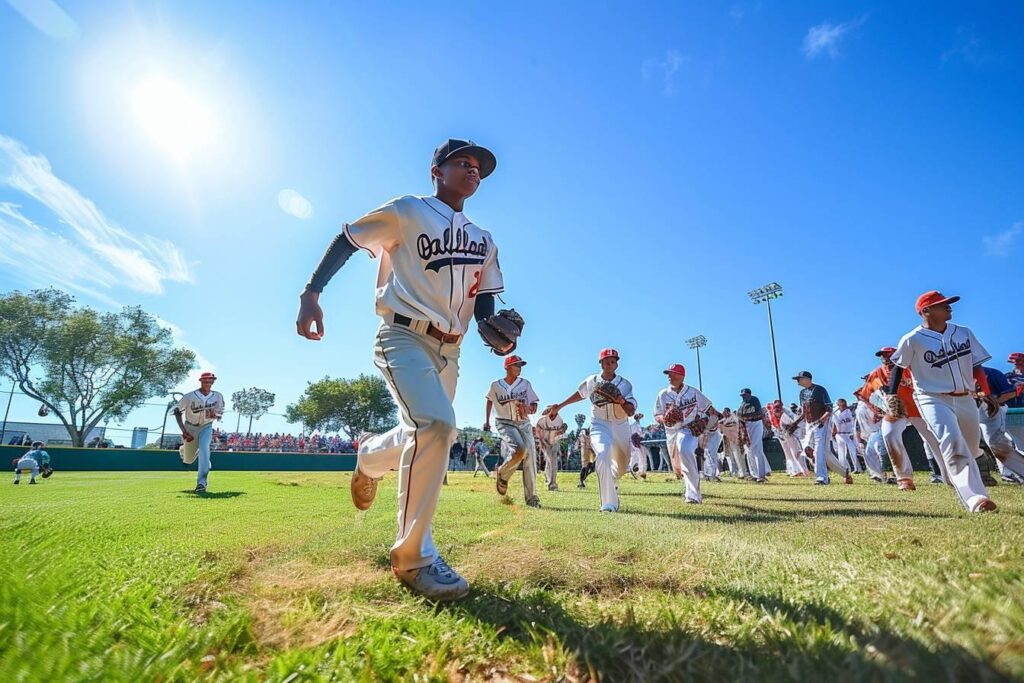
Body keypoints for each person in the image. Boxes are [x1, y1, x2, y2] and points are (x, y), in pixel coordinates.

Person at [296, 138, 510, 600]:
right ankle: (414, 558)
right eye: (463, 163)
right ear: (437, 169)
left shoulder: (484, 239)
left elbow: (487, 305)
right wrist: (311, 293)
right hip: (402, 334)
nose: (473, 171)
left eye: (479, 168)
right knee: (435, 425)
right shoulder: (408, 210)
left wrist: (499, 332)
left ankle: (369, 459)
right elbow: (349, 237)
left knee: (425, 431)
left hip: (450, 351)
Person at [888, 291, 996, 512]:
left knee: (972, 446)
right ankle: (976, 498)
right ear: (925, 311)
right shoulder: (912, 339)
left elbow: (976, 365)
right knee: (953, 442)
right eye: (942, 304)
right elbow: (898, 368)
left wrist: (985, 391)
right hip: (931, 397)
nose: (949, 307)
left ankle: (958, 475)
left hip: (965, 397)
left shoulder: (964, 333)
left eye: (948, 303)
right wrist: (892, 394)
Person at [545, 348, 637, 512]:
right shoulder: (592, 381)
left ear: (617, 363)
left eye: (613, 360)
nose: (609, 363)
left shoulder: (624, 384)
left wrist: (620, 400)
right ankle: (609, 503)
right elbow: (580, 394)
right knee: (602, 454)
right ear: (600, 363)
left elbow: (631, 411)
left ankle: (612, 478)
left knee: (622, 466)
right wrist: (559, 407)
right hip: (599, 423)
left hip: (621, 424)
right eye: (606, 360)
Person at [863, 346, 943, 489]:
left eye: (889, 355)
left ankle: (948, 474)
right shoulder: (877, 373)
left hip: (918, 409)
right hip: (896, 411)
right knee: (889, 434)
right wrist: (877, 411)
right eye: (883, 355)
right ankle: (904, 478)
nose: (886, 358)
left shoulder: (911, 368)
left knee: (933, 439)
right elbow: (869, 395)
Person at [654, 363, 720, 504]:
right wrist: (664, 418)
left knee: (685, 451)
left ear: (681, 376)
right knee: (678, 467)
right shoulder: (663, 394)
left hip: (689, 429)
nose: (669, 376)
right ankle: (689, 488)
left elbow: (709, 408)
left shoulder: (693, 392)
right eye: (668, 374)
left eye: (672, 373)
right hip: (671, 431)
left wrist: (716, 419)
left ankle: (692, 495)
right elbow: (657, 415)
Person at [484, 355, 541, 508]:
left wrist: (530, 408)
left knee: (530, 456)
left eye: (520, 365)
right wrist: (487, 420)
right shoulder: (496, 385)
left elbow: (534, 403)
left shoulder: (525, 384)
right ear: (507, 367)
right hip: (504, 422)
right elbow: (489, 400)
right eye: (516, 365)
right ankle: (503, 473)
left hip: (524, 423)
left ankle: (532, 498)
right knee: (520, 449)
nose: (519, 368)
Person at [794, 371, 852, 485]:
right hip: (810, 424)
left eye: (799, 378)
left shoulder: (820, 390)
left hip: (822, 422)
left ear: (807, 379)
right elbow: (804, 411)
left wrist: (823, 420)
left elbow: (829, 408)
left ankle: (822, 478)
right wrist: (795, 423)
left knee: (819, 450)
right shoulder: (802, 393)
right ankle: (844, 473)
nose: (798, 381)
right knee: (812, 451)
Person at [174, 372, 225, 494]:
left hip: (206, 426)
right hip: (190, 427)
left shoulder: (217, 396)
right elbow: (177, 411)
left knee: (204, 448)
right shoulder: (189, 396)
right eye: (205, 381)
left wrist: (215, 415)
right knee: (188, 459)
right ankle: (183, 450)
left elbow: (220, 414)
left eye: (210, 381)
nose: (208, 383)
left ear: (213, 382)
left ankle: (201, 483)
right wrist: (184, 431)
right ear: (200, 381)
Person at [976, 365, 1024, 484]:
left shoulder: (992, 373)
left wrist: (995, 402)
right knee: (977, 443)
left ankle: (1013, 472)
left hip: (993, 411)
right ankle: (1006, 473)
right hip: (973, 410)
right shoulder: (956, 373)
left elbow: (1011, 392)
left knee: (996, 442)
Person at [768, 401, 810, 477]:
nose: (776, 410)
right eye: (775, 408)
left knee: (796, 453)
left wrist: (791, 429)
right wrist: (781, 434)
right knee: (788, 454)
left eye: (778, 408)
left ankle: (803, 471)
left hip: (792, 435)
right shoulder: (772, 414)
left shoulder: (786, 413)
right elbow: (774, 426)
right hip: (782, 436)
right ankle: (793, 470)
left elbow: (793, 424)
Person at [736, 389, 769, 483]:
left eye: (745, 394)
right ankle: (754, 474)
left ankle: (761, 475)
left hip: (756, 423)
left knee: (757, 448)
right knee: (748, 449)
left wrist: (747, 416)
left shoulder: (754, 400)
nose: (743, 396)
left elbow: (759, 412)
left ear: (749, 394)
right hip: (746, 426)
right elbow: (740, 415)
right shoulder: (742, 404)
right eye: (742, 395)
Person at [535, 408, 566, 491]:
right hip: (545, 442)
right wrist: (541, 442)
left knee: (552, 462)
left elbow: (562, 431)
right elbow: (537, 431)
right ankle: (552, 483)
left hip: (555, 442)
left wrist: (561, 431)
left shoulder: (559, 420)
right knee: (551, 461)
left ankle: (549, 478)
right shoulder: (542, 420)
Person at [832, 398, 863, 474]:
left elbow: (852, 425)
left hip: (848, 434)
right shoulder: (835, 413)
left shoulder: (849, 412)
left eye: (843, 404)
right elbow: (834, 425)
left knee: (853, 451)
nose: (841, 406)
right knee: (841, 453)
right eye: (840, 404)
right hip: (839, 435)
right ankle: (844, 469)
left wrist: (852, 433)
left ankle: (857, 469)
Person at [628, 413, 648, 480]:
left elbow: (640, 433)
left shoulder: (638, 424)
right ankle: (634, 471)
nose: (639, 418)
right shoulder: (632, 424)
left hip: (639, 441)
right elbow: (634, 433)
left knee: (642, 457)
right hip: (634, 441)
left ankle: (642, 472)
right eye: (638, 417)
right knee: (636, 457)